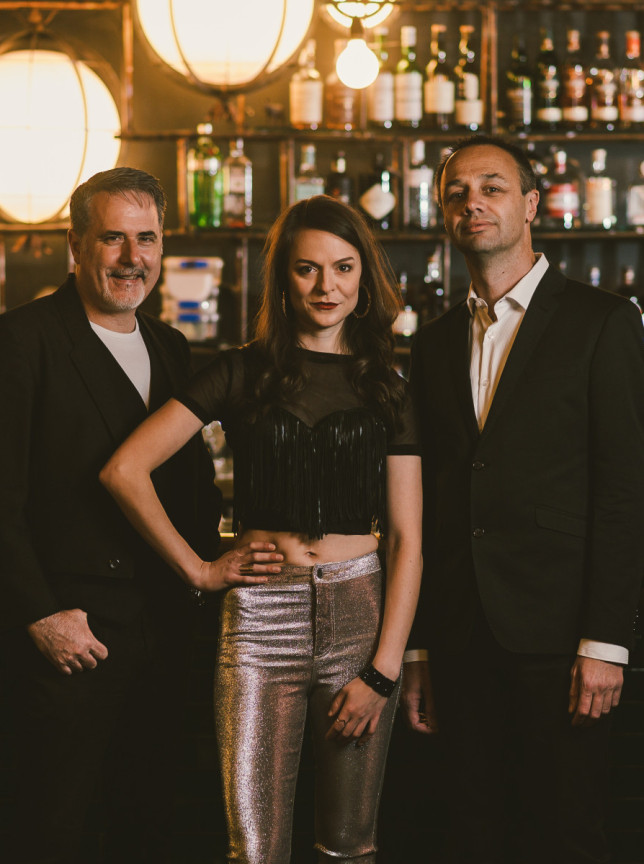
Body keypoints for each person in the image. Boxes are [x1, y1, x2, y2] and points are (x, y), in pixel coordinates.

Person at [100, 194, 423, 864]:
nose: (326, 286)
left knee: (349, 847)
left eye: (341, 268)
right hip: (258, 618)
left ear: (364, 279)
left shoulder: (386, 386)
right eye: (307, 269)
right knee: (253, 851)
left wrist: (384, 672)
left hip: (361, 615)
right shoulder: (240, 369)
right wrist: (200, 569)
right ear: (283, 278)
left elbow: (407, 540)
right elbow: (125, 469)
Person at [402, 135, 644, 863]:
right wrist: (418, 650)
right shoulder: (434, 344)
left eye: (492, 187)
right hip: (461, 636)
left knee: (565, 835)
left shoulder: (602, 322)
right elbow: (435, 502)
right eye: (456, 192)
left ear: (532, 204)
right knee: (471, 834)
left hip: (562, 638)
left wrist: (606, 642)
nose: (471, 201)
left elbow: (626, 488)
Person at [0, 167, 224, 864]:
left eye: (147, 239)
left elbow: (187, 493)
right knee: (56, 831)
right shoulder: (22, 340)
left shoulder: (171, 346)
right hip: (70, 636)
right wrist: (40, 614)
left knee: (151, 823)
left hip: (162, 632)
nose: (133, 258)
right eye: (114, 239)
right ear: (76, 244)